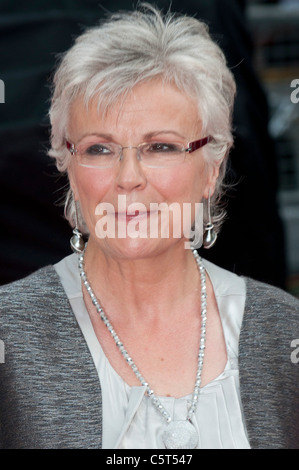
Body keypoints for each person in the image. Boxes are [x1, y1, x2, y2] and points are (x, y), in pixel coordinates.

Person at [0, 5, 298, 449]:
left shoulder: (283, 330)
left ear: (212, 167)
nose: (128, 176)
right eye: (100, 148)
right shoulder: (9, 334)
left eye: (161, 146)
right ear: (67, 163)